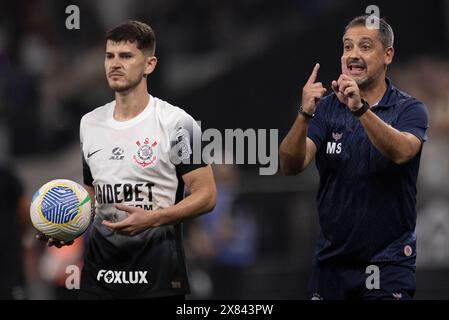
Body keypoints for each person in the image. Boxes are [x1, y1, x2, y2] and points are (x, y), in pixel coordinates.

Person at [39, 20, 216, 299]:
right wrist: (67, 226)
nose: (114, 64)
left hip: (157, 279)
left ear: (149, 64)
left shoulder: (178, 123)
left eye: (126, 56)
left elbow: (207, 195)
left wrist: (154, 218)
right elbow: (92, 195)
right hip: (99, 279)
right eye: (109, 56)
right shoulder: (90, 123)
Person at [279, 15, 429, 300]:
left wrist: (360, 110)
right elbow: (290, 165)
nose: (353, 55)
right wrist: (304, 115)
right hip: (331, 264)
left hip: (388, 262)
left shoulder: (410, 110)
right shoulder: (325, 110)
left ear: (388, 55)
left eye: (364, 46)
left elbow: (402, 152)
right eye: (347, 47)